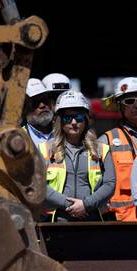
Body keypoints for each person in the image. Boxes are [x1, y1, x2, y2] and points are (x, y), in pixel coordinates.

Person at [38, 90, 115, 222]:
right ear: (60, 122)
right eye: (68, 118)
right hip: (56, 222)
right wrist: (71, 205)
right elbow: (39, 185)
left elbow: (110, 184)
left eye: (78, 118)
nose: (74, 122)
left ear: (86, 120)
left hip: (92, 221)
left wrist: (86, 205)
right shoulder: (45, 149)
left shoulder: (101, 149)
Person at [98, 77, 137, 221]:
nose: (136, 105)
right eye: (129, 101)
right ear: (120, 106)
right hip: (123, 221)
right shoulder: (105, 141)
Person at [23, 78, 55, 148]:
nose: (42, 105)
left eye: (45, 100)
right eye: (35, 102)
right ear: (25, 108)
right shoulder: (20, 136)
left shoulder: (66, 131)